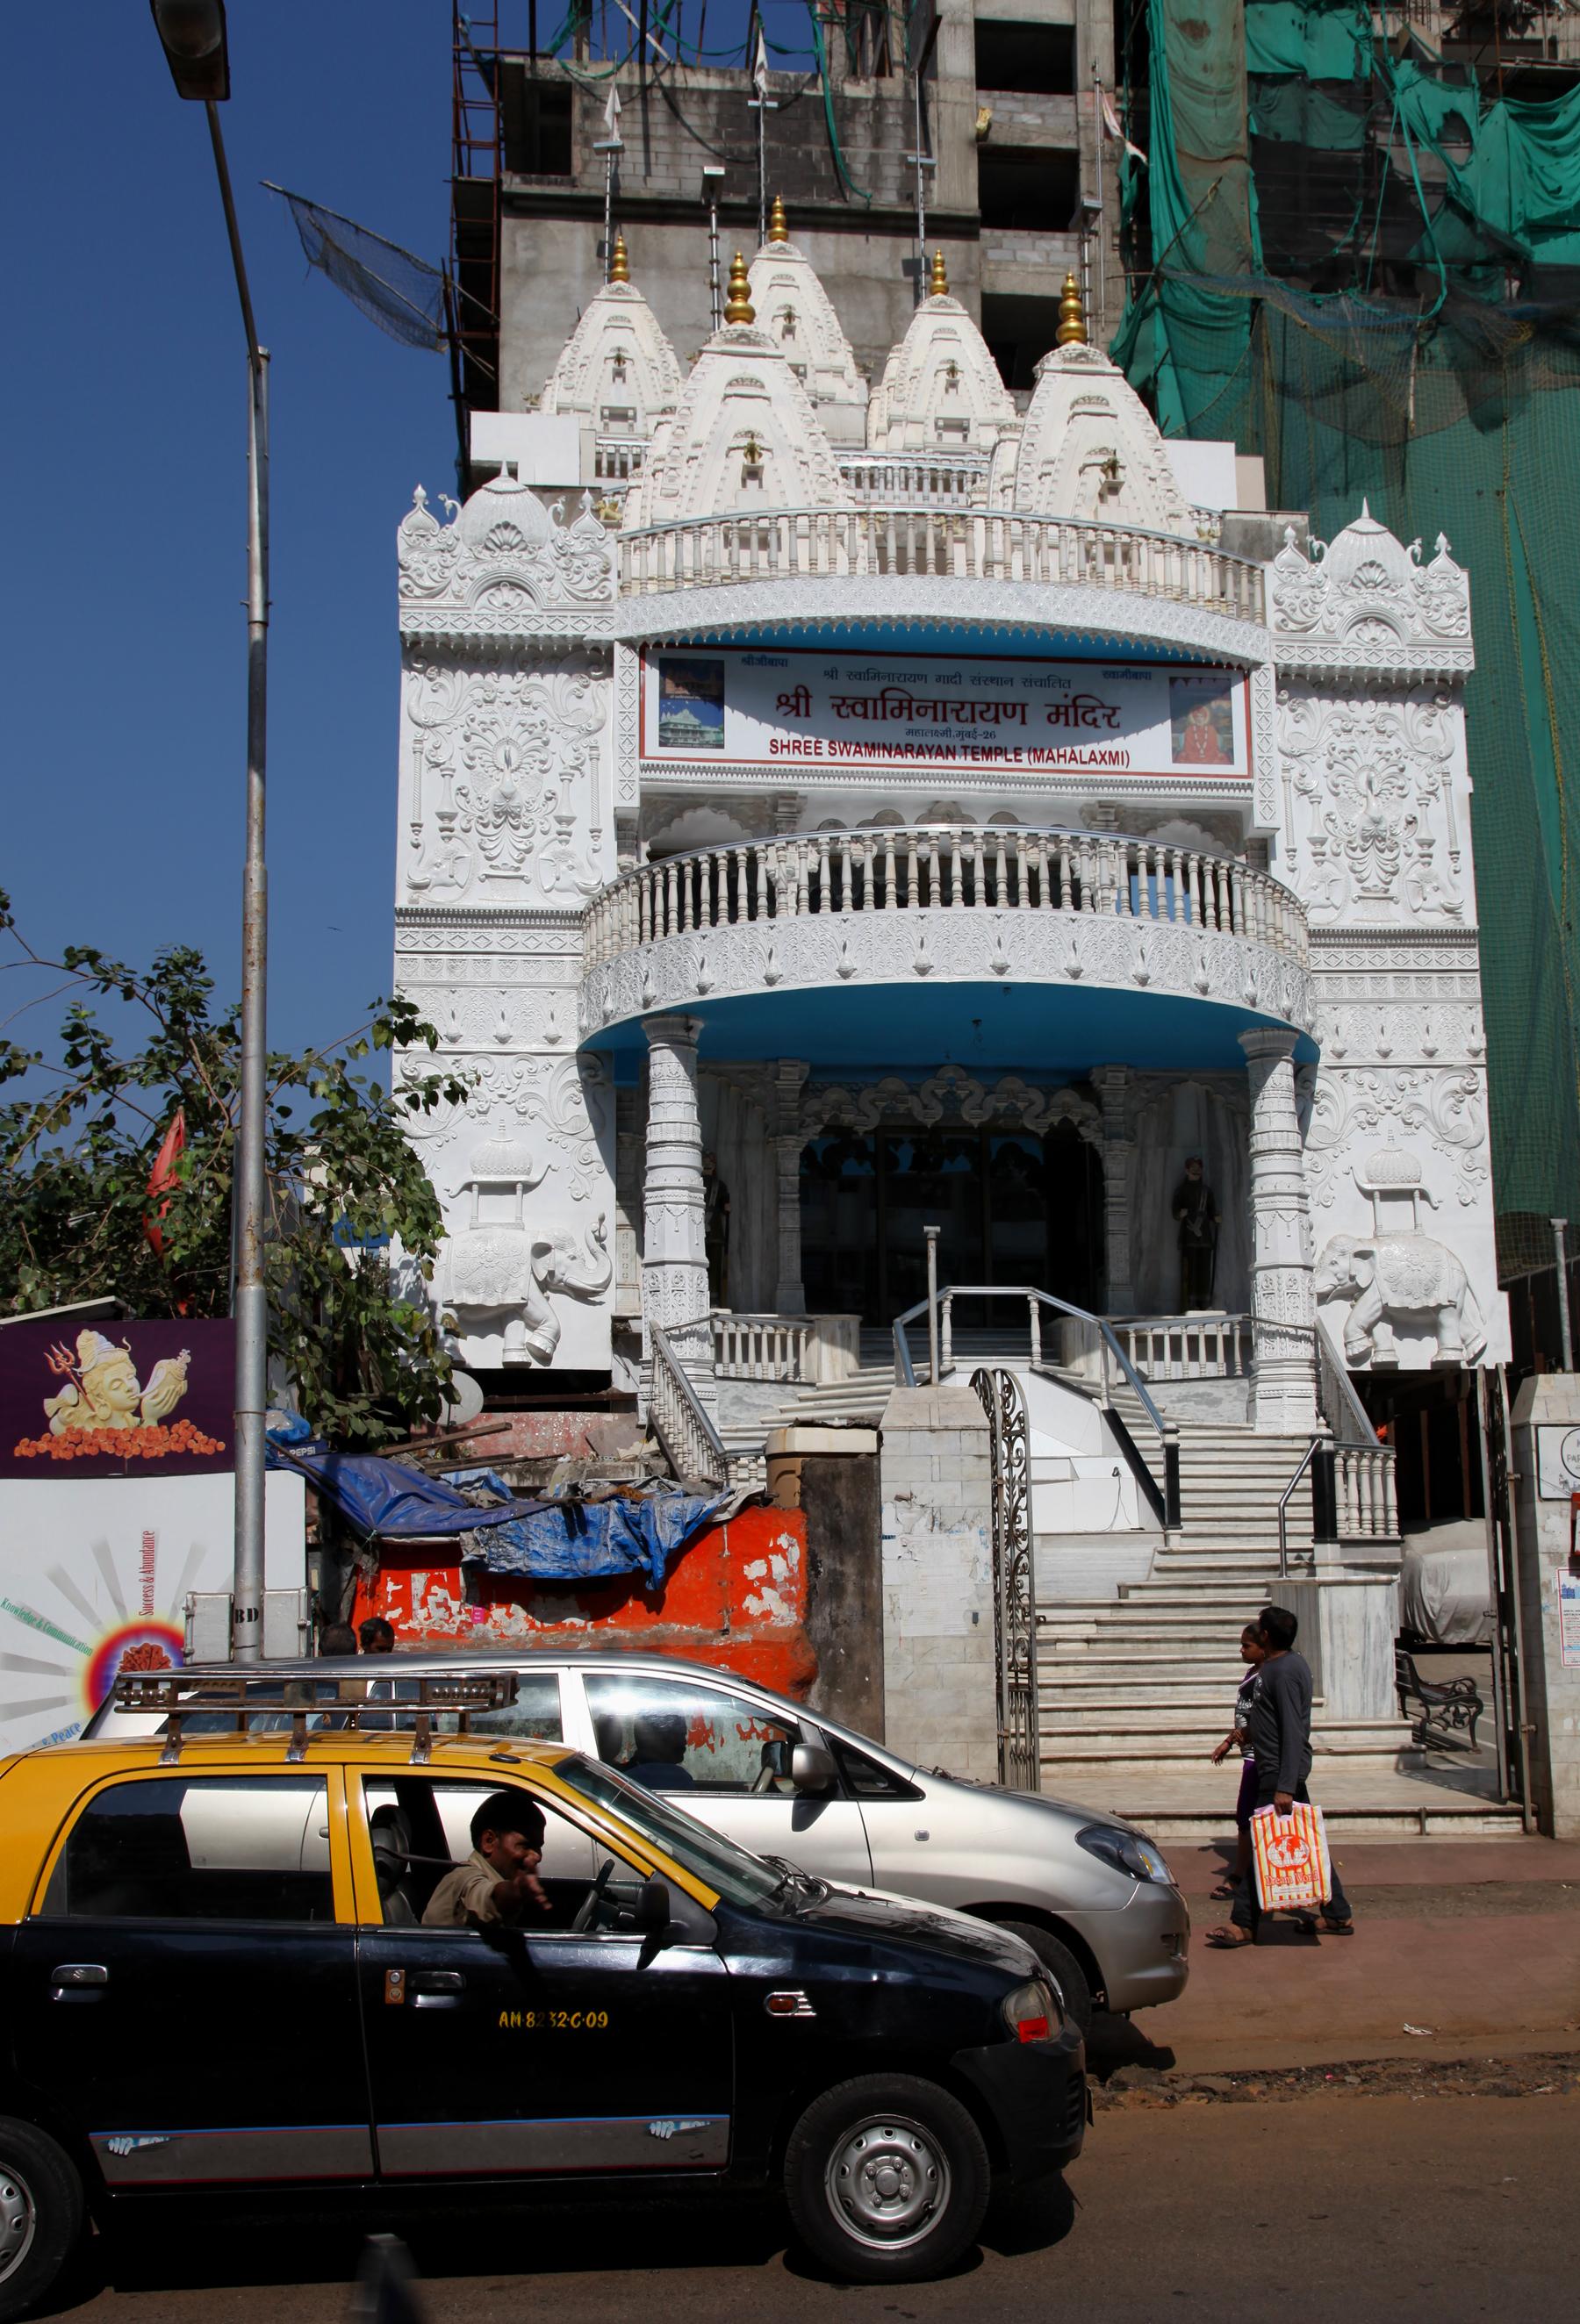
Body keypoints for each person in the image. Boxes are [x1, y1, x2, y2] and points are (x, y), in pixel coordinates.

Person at [1207, 1605, 1355, 1947]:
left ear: (1267, 1636)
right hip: (1273, 1768)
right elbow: (1268, 1719)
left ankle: (1243, 1923)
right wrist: (1237, 1737)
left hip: (1278, 1774)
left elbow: (1292, 1729)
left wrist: (1285, 1786)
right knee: (1306, 1842)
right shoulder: (1275, 1668)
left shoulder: (1286, 1671)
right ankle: (1337, 1913)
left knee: (1265, 1846)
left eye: (1259, 1628)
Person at [421, 1791, 552, 1927]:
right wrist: (517, 1890)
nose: (538, 1856)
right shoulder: (464, 1878)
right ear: (489, 1842)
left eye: (538, 1847)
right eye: (526, 1845)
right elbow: (488, 1897)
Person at [1207, 1625, 1267, 1901]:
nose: (1241, 1650)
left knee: (1246, 1818)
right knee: (1246, 1818)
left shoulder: (1268, 1676)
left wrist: (1240, 1737)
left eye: (1246, 1645)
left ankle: (1240, 1876)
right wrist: (1229, 1741)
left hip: (1262, 1758)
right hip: (1250, 1755)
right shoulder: (1252, 1673)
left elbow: (1265, 1719)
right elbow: (1246, 1716)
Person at [1171, 1156, 1219, 1309]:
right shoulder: (1181, 1190)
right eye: (1193, 1168)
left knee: (1205, 1269)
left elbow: (1212, 1211)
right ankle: (1189, 1301)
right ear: (1187, 1170)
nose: (1196, 1171)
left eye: (1198, 1168)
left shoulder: (1207, 1191)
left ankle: (1204, 1301)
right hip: (1189, 1235)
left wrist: (1215, 1217)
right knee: (1190, 1269)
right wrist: (1180, 1214)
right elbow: (1175, 1212)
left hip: (1204, 1235)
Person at [625, 1710, 696, 1790]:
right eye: (681, 1735)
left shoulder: (619, 1776)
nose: (685, 1742)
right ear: (657, 1739)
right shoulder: (678, 1777)